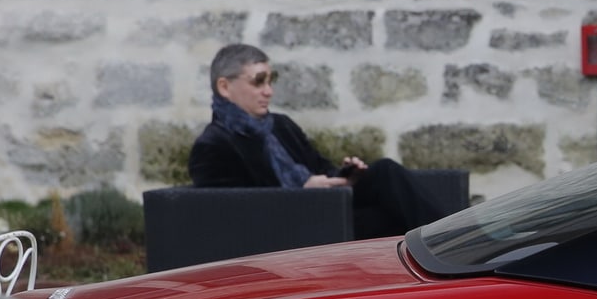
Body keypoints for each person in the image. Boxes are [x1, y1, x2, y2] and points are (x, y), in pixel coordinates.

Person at [187, 42, 439, 239]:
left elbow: (319, 167)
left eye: (271, 81)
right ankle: (450, 249)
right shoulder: (212, 145)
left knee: (385, 173)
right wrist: (302, 194)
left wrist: (344, 176)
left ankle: (452, 242)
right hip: (290, 233)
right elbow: (235, 217)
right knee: (389, 219)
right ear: (224, 87)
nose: (268, 91)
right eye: (258, 81)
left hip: (323, 212)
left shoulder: (281, 125)